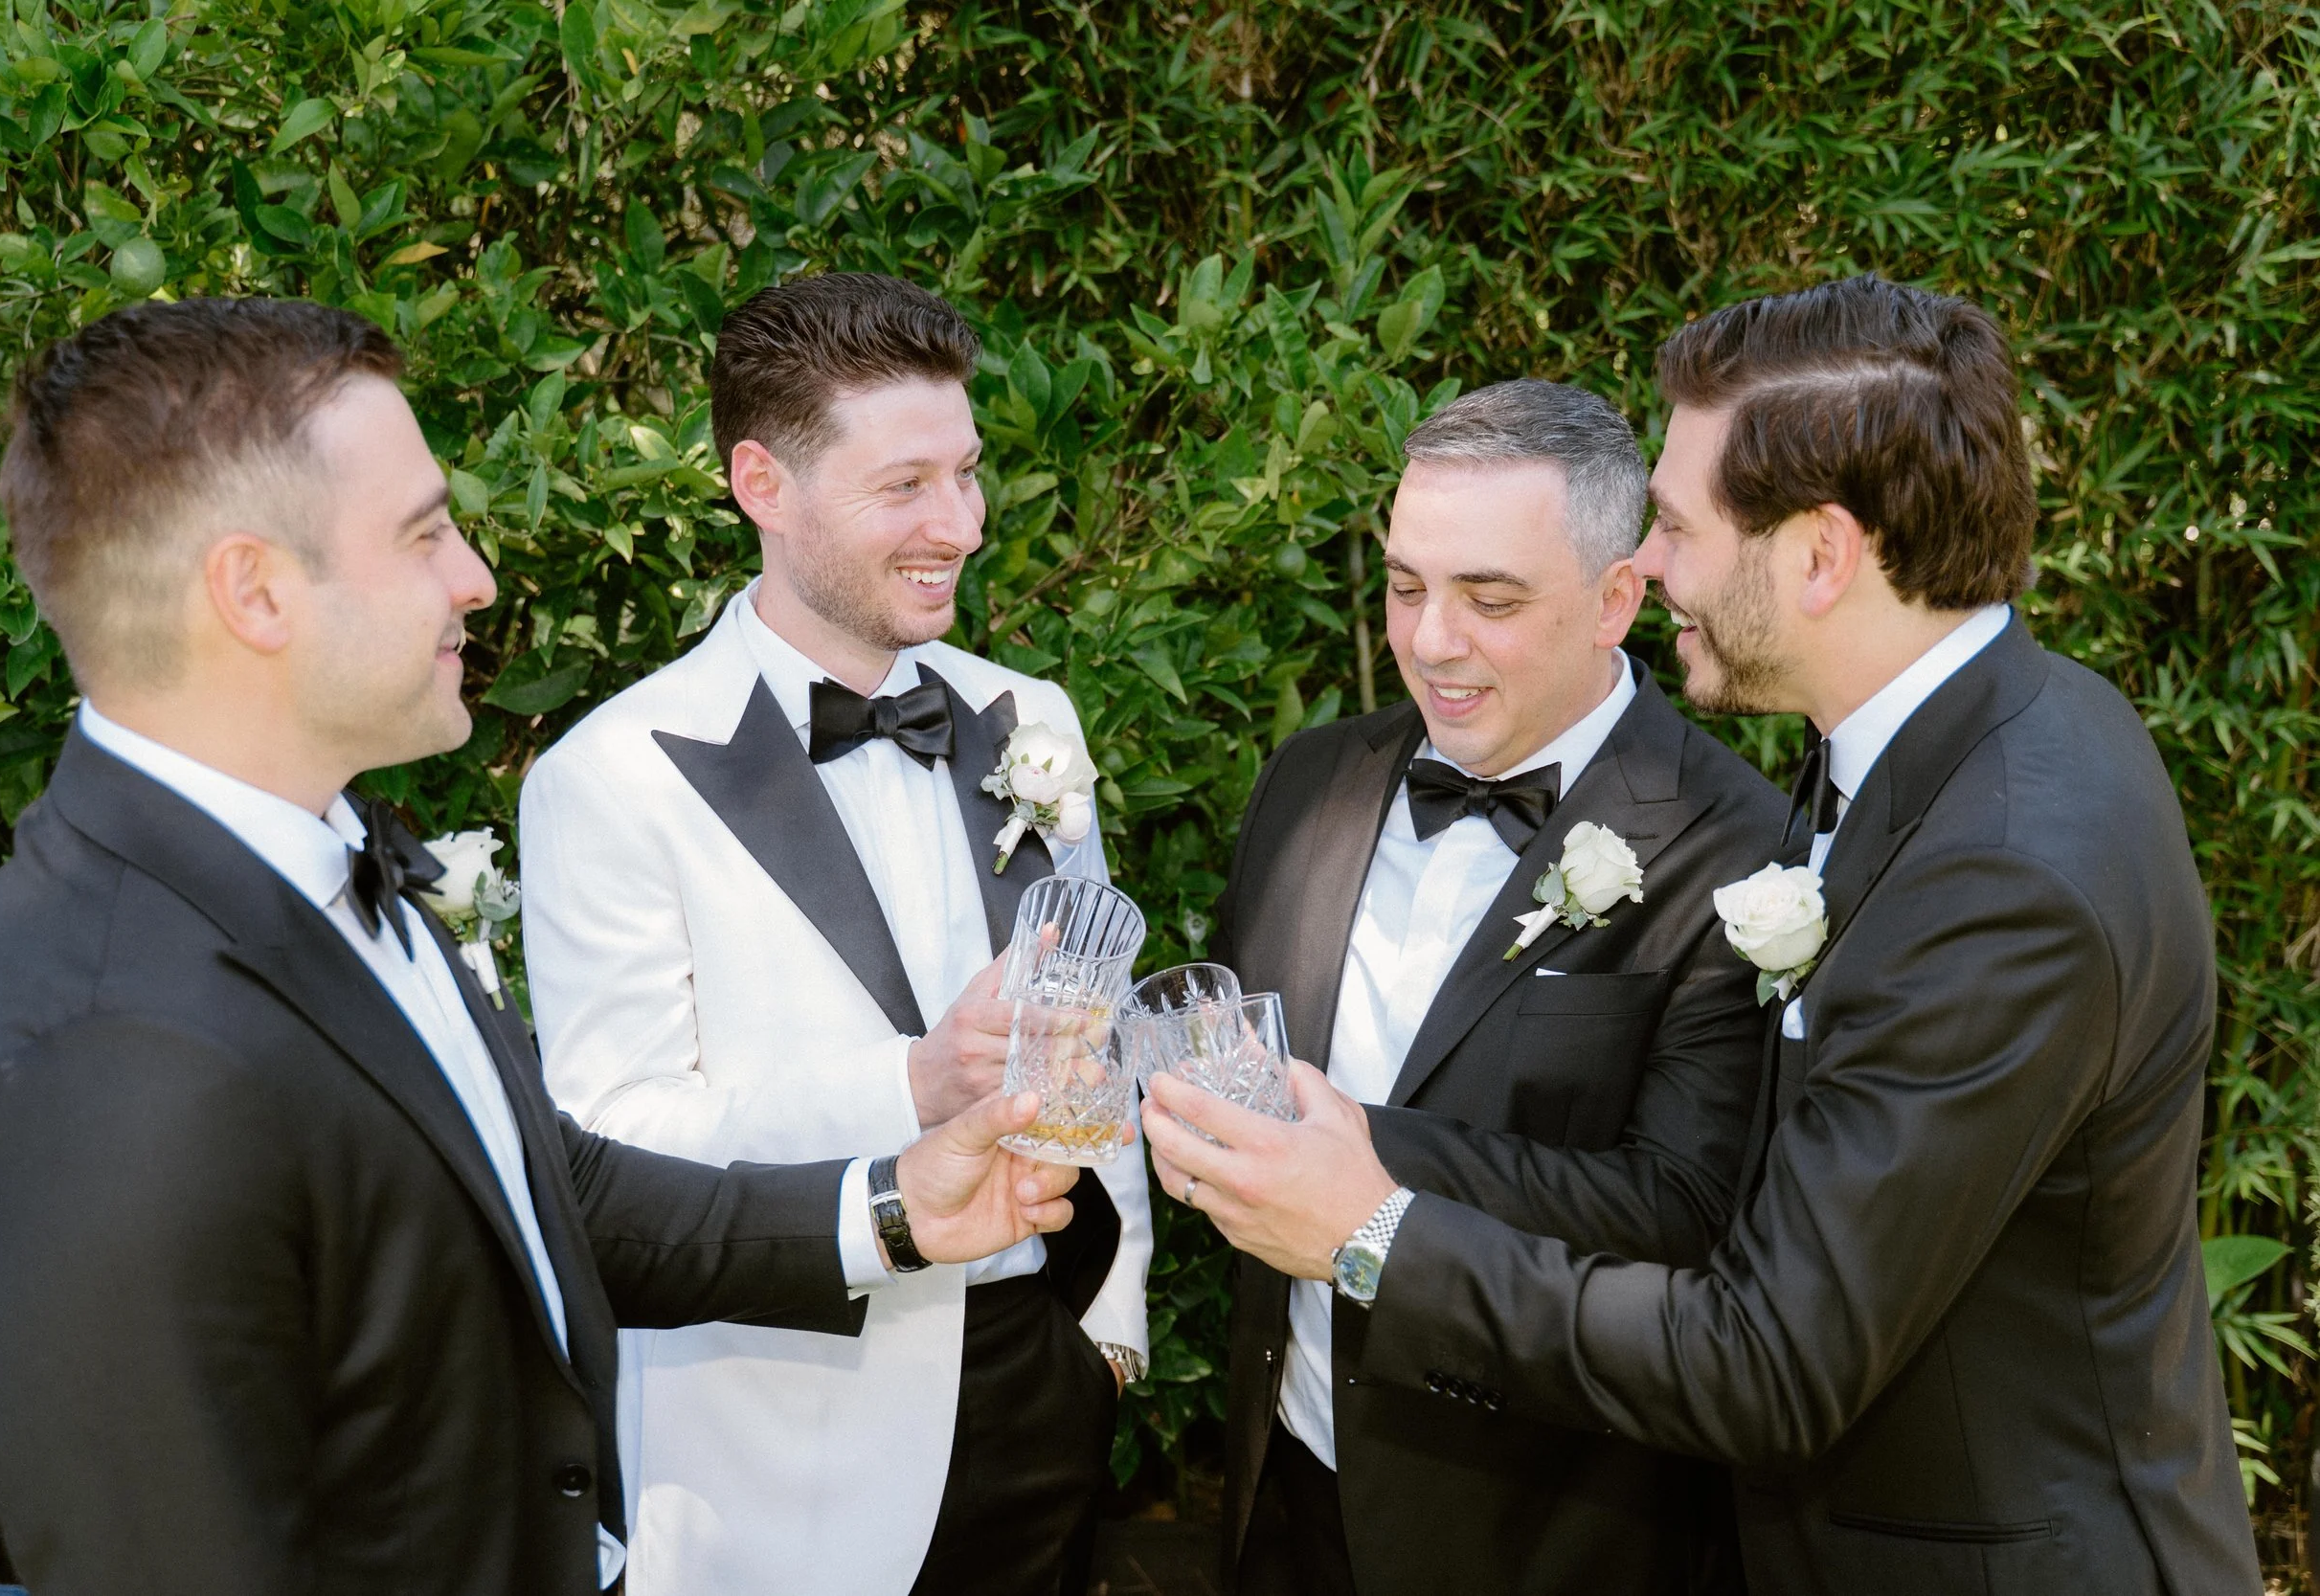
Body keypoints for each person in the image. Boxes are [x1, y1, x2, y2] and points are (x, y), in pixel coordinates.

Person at [0, 298, 1085, 1596]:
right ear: (253, 590)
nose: (475, 574)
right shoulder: (91, 1050)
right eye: (425, 532)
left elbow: (550, 1188)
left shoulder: (334, 857)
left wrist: (891, 1207)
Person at [1145, 275, 2264, 1596]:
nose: (1652, 560)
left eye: (1675, 522)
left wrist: (1372, 1223)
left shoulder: (2006, 874)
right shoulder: (1968, 740)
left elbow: (1770, 1357)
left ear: (1820, 554)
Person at [518, 272, 1152, 1596]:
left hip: (1041, 1381)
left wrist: (1109, 1324)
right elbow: (613, 1147)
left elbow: (1103, 1027)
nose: (961, 524)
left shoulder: (1026, 714)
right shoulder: (611, 774)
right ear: (764, 483)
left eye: (968, 474)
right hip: (783, 1434)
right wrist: (915, 1082)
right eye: (905, 485)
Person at [1210, 379, 1783, 1595]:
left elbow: (1687, 1211)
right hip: (1282, 1491)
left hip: (1544, 1532)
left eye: (1490, 598)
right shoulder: (1310, 781)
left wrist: (1361, 1158)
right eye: (1407, 584)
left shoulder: (1738, 854)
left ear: (1616, 599)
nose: (1428, 639)